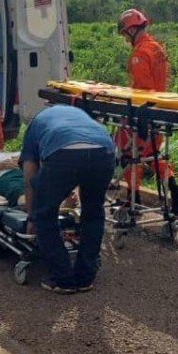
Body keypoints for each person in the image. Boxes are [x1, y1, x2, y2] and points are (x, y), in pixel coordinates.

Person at [20, 105, 115, 294]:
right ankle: (85, 277)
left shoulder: (34, 127)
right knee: (94, 214)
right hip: (104, 150)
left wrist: (32, 217)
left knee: (45, 214)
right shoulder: (79, 115)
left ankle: (61, 278)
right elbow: (82, 168)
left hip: (64, 152)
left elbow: (30, 179)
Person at [115, 8, 178, 214]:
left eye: (124, 34)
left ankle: (133, 198)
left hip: (145, 113)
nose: (125, 38)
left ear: (130, 30)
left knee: (131, 152)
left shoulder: (139, 54)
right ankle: (176, 191)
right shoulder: (157, 48)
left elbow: (143, 90)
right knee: (155, 154)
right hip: (160, 110)